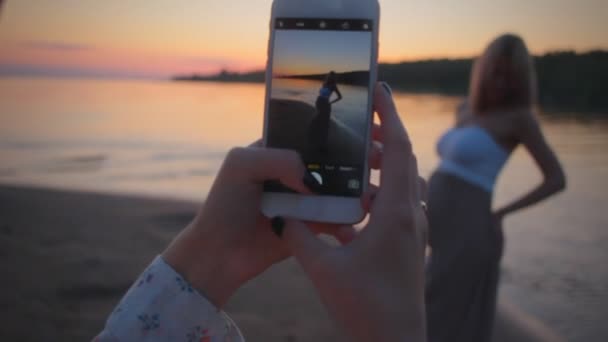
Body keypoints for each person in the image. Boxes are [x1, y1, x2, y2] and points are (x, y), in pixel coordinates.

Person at [95, 82, 428, 342]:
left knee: (318, 138)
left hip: (322, 111)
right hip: (322, 111)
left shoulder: (328, 87)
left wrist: (212, 260)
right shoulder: (327, 87)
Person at [424, 34, 567, 342]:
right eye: (496, 71)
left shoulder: (520, 119)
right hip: (438, 223)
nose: (501, 81)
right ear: (484, 69)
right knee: (425, 296)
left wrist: (501, 213)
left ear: (521, 80)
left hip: (470, 227)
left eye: (510, 76)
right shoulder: (464, 109)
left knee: (446, 312)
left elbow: (556, 179)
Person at [310, 71, 343, 154]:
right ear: (328, 76)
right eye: (330, 76)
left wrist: (331, 102)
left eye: (333, 76)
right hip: (319, 103)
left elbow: (340, 97)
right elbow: (320, 95)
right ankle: (317, 141)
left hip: (325, 105)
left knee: (324, 125)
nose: (331, 77)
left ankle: (323, 145)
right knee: (317, 122)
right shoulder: (324, 84)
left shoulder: (333, 86)